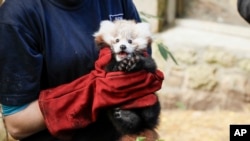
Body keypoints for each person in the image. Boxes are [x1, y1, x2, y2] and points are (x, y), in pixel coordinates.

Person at [0, 0, 163, 141]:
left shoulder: (117, 2)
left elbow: (142, 77)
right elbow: (17, 124)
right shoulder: (17, 16)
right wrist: (93, 93)